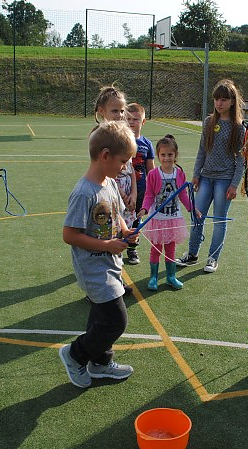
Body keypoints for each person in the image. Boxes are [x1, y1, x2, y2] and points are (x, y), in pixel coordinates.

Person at [60, 120, 139, 389]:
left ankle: (101, 362)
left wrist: (125, 231)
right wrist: (107, 245)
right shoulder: (84, 192)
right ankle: (75, 355)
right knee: (115, 320)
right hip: (94, 269)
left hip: (110, 264)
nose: (125, 167)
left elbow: (116, 215)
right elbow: (69, 235)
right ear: (105, 155)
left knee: (100, 317)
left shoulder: (110, 183)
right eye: (123, 161)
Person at [175, 79, 245, 273]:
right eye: (216, 99)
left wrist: (234, 184)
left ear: (232, 101)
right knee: (197, 215)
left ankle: (213, 258)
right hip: (206, 178)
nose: (219, 103)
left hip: (225, 180)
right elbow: (202, 150)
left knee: (219, 219)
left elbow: (241, 159)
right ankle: (192, 254)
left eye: (224, 99)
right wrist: (196, 175)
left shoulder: (239, 127)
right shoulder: (209, 122)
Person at [137, 135, 195, 291]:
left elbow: (183, 195)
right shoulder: (153, 174)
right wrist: (144, 209)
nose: (167, 158)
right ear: (158, 155)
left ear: (175, 155)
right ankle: (153, 278)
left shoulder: (179, 173)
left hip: (173, 218)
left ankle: (171, 276)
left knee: (170, 249)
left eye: (170, 154)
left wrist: (192, 208)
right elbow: (149, 195)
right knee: (156, 249)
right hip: (157, 218)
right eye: (163, 155)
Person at [93, 85, 134, 294]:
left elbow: (130, 168)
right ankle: (97, 285)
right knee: (104, 238)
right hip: (106, 192)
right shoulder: (99, 136)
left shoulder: (125, 134)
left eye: (121, 111)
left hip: (120, 193)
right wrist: (119, 192)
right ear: (102, 111)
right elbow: (101, 168)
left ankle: (116, 278)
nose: (119, 115)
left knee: (119, 234)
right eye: (114, 110)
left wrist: (132, 192)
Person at [125, 103, 156, 266]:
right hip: (123, 188)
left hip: (142, 189)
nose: (131, 122)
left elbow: (151, 169)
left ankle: (132, 248)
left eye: (135, 119)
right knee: (121, 217)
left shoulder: (146, 144)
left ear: (143, 122)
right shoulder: (121, 140)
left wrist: (155, 188)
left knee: (137, 219)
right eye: (128, 119)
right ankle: (116, 248)